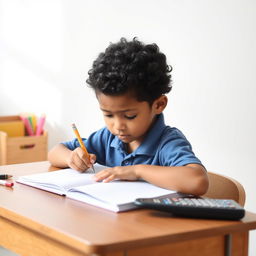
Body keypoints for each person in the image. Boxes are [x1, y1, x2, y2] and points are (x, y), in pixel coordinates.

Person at [48, 38, 209, 195]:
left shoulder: (167, 142)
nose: (118, 126)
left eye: (130, 116)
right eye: (108, 115)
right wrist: (72, 158)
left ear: (158, 105)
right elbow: (55, 152)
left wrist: (137, 171)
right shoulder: (108, 138)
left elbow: (197, 181)